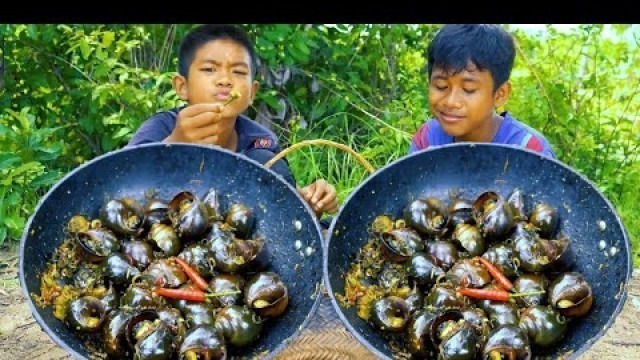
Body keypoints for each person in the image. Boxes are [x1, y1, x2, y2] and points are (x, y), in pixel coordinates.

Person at [128, 24, 338, 219]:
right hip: (169, 228)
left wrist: (306, 204)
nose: (225, 80)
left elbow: (277, 203)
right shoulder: (160, 129)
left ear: (252, 92)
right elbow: (125, 187)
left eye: (238, 72)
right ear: (182, 86)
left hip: (234, 240)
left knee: (266, 163)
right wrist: (174, 146)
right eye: (209, 69)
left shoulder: (260, 142)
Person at [408, 24, 555, 158]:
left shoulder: (529, 150)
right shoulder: (427, 139)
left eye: (468, 89)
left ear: (499, 94)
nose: (451, 102)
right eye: (441, 86)